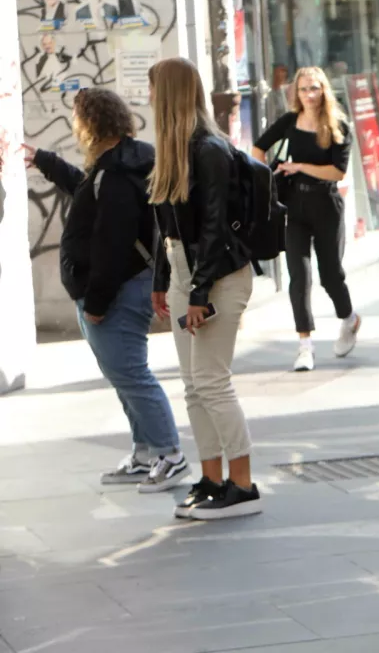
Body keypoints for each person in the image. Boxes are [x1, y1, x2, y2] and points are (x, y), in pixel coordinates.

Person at [22, 89, 188, 493]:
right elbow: (86, 191)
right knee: (122, 375)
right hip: (121, 288)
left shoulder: (114, 174)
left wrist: (96, 301)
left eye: (78, 117)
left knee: (131, 375)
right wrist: (44, 160)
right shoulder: (120, 164)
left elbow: (113, 242)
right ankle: (145, 452)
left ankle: (170, 453)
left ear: (90, 123)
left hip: (116, 293)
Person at [148, 57, 261, 520]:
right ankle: (211, 478)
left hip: (219, 277)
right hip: (182, 274)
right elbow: (167, 227)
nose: (149, 96)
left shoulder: (210, 149)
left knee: (213, 382)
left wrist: (198, 295)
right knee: (194, 387)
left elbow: (215, 227)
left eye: (153, 88)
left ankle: (243, 484)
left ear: (170, 92)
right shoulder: (171, 149)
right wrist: (163, 283)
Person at [253, 67, 361, 373]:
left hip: (325, 204)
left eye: (314, 88)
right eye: (303, 89)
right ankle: (305, 346)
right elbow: (258, 148)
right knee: (298, 277)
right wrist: (264, 180)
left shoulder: (337, 125)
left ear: (324, 90)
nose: (309, 95)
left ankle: (349, 318)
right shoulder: (289, 122)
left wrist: (298, 165)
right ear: (296, 93)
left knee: (330, 274)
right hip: (293, 207)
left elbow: (336, 172)